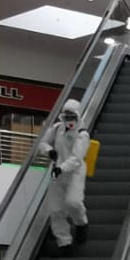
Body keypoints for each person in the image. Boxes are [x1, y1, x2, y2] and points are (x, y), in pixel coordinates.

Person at [40, 98, 91, 249]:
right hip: (58, 172)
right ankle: (64, 242)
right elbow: (42, 142)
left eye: (71, 115)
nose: (68, 120)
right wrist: (49, 151)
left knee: (73, 202)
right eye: (66, 116)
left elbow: (76, 158)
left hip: (75, 173)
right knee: (55, 209)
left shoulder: (82, 134)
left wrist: (62, 168)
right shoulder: (57, 128)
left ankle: (81, 223)